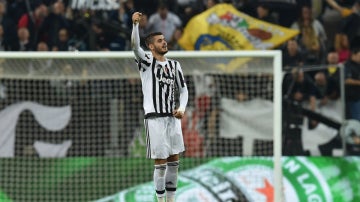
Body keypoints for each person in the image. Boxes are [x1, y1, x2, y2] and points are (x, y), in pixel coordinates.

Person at [131, 12, 188, 202]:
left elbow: (184, 90)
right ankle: (161, 200)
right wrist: (135, 25)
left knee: (174, 163)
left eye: (164, 39)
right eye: (159, 40)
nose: (164, 42)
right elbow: (134, 46)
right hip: (155, 119)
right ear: (151, 46)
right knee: (161, 163)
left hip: (172, 118)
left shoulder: (174, 65)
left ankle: (171, 200)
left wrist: (182, 108)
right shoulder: (146, 61)